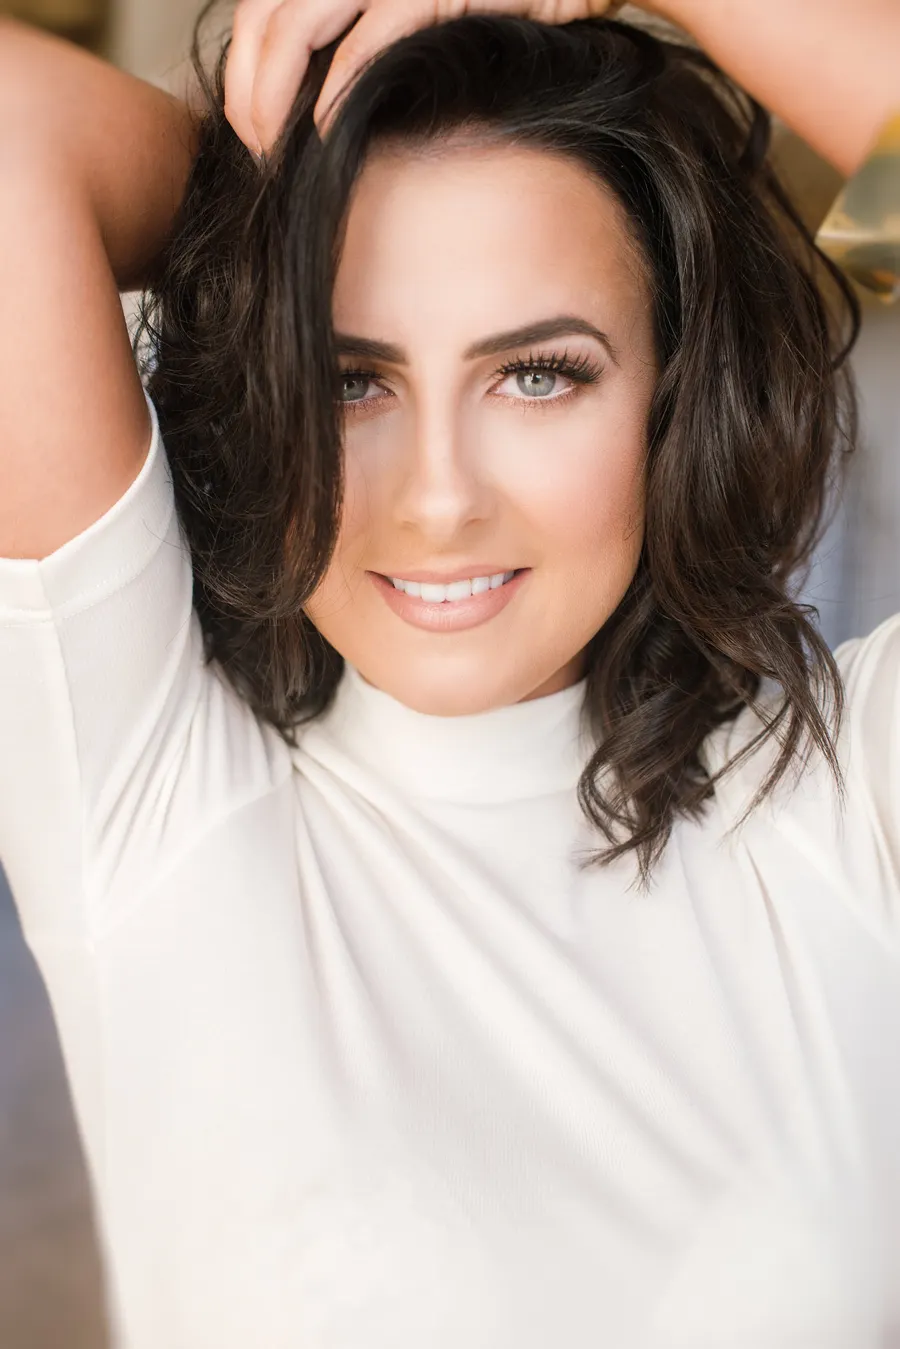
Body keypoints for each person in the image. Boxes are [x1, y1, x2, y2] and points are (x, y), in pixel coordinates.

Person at [0, 0, 898, 1346]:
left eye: (536, 375)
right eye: (347, 379)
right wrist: (271, 211)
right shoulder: (154, 807)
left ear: (674, 394)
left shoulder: (849, 801)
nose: (437, 499)